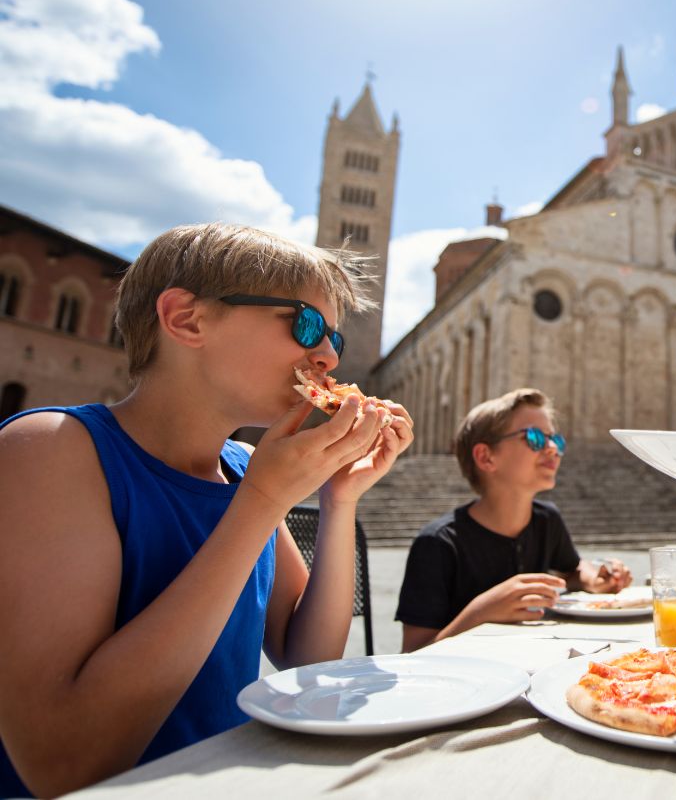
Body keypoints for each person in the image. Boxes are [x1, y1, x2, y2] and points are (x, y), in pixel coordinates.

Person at [0, 223, 414, 797]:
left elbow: (306, 656)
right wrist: (263, 503)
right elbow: (64, 763)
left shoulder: (242, 468)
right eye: (306, 324)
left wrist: (338, 499)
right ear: (186, 319)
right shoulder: (50, 448)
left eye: (334, 341)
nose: (325, 356)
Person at [396, 388, 631, 651]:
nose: (554, 449)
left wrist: (593, 577)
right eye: (535, 438)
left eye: (556, 440)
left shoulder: (546, 520)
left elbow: (571, 570)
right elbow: (413, 654)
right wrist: (481, 612)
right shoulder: (437, 543)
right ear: (486, 457)